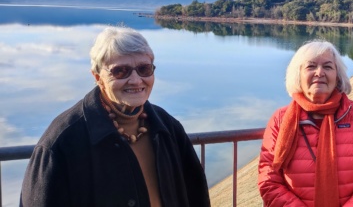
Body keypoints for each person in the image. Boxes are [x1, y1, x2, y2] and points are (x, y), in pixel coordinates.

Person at [20, 27, 210, 207]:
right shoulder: (61, 142)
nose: (136, 80)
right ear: (97, 77)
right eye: (120, 71)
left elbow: (197, 196)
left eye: (144, 69)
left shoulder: (168, 128)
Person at [258, 40, 353, 206]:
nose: (319, 72)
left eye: (328, 67)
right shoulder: (280, 119)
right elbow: (268, 178)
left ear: (337, 76)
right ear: (298, 74)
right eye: (311, 66)